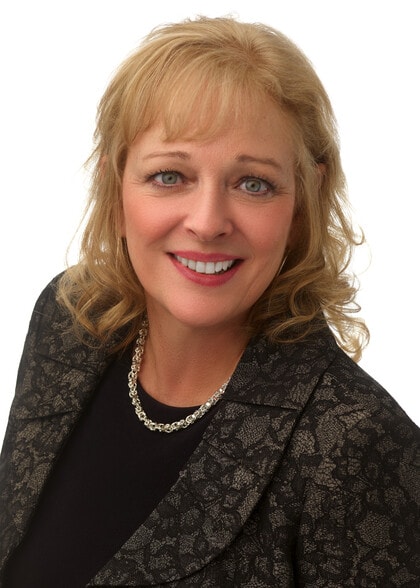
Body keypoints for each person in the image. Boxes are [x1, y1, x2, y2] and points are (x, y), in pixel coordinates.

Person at [0, 15, 419, 587]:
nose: (207, 222)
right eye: (170, 175)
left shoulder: (357, 444)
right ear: (115, 188)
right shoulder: (71, 319)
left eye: (253, 184)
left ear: (302, 206)